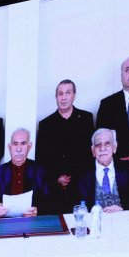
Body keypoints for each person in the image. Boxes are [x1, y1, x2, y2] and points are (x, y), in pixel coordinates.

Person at [36, 80, 94, 212]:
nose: (63, 97)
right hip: (55, 189)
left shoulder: (86, 119)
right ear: (56, 97)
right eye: (60, 93)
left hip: (82, 186)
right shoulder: (46, 124)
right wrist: (56, 178)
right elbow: (41, 159)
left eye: (67, 93)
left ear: (74, 95)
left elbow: (91, 154)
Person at [73, 128, 129, 211]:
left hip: (123, 219)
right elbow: (76, 205)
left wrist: (123, 208)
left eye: (107, 144)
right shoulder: (81, 172)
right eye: (98, 145)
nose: (102, 149)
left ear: (114, 147)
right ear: (93, 150)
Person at [0, 128, 50, 218]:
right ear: (9, 147)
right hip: (4, 224)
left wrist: (38, 210)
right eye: (15, 144)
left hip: (33, 223)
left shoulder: (39, 171)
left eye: (23, 143)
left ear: (29, 146)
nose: (18, 149)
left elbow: (49, 202)